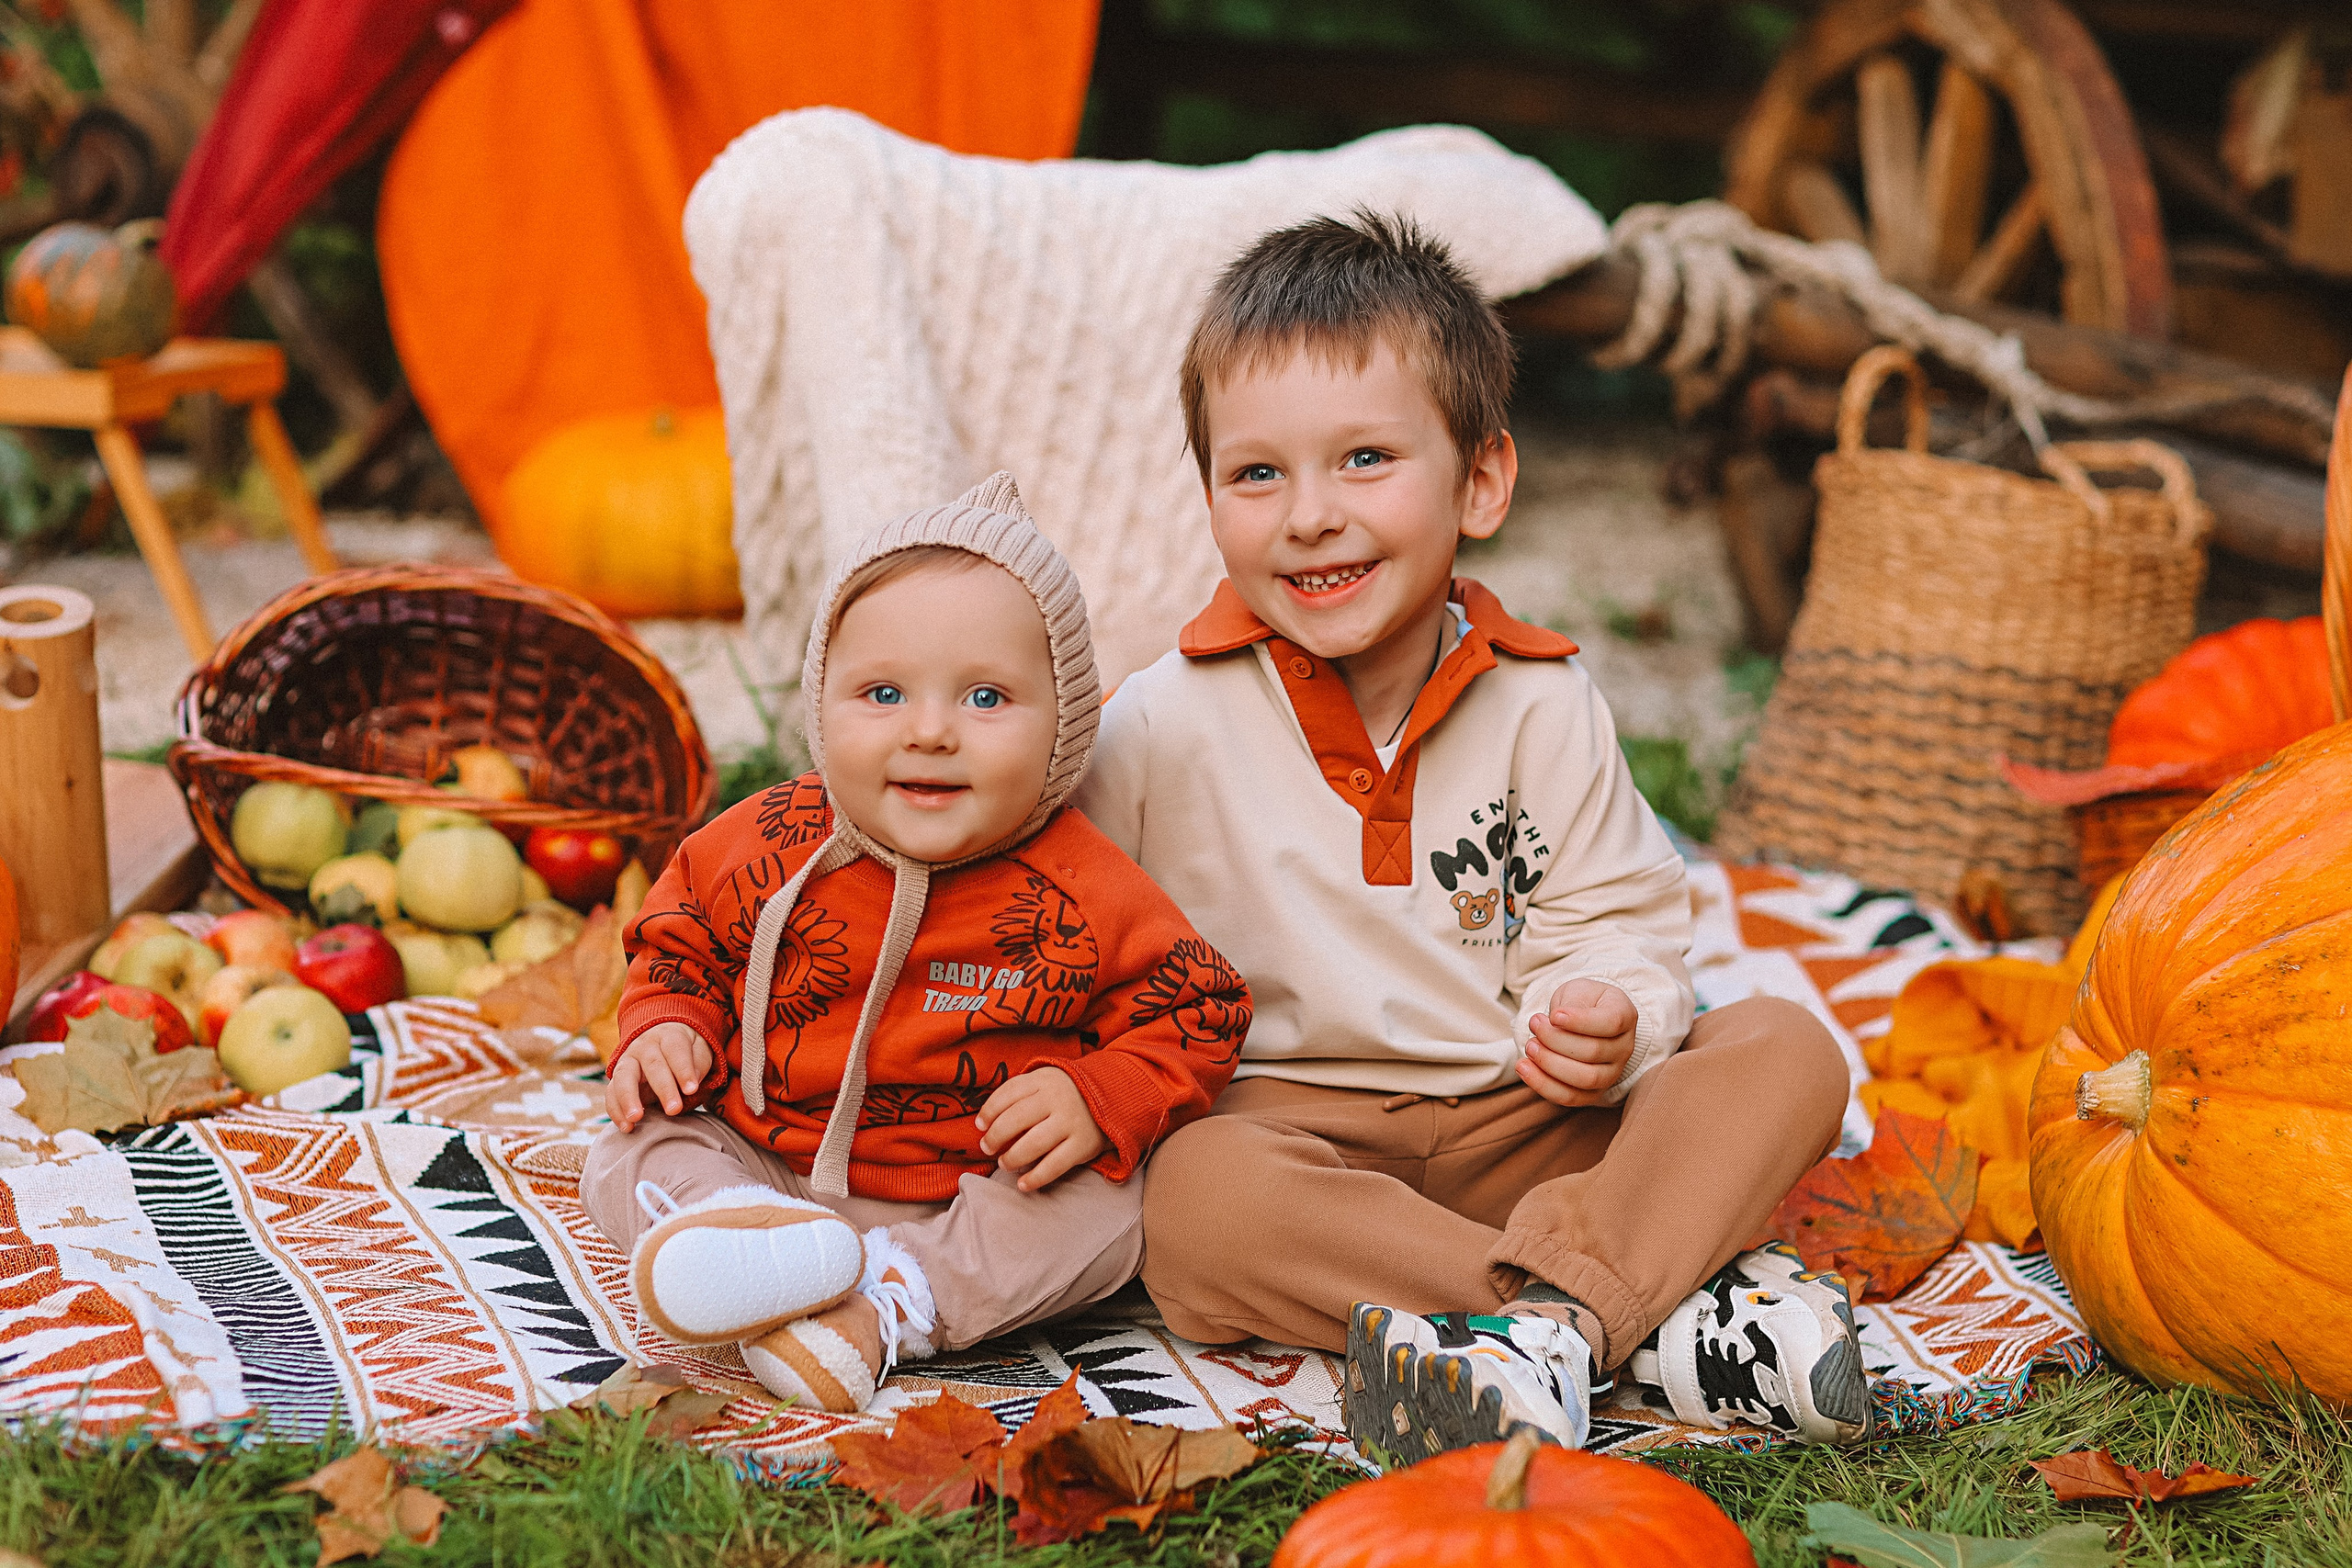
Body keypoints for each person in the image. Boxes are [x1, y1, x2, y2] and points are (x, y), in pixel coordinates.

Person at [1071, 211, 1865, 1462]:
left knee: (1784, 1045)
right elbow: (1076, 940)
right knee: (1191, 1202)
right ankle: (1637, 1321)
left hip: (1522, 1116)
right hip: (1295, 1132)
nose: (1310, 515)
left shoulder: (1540, 698)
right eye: (1257, 473)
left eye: (1367, 458)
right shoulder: (1158, 721)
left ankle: (1532, 1326)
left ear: (1480, 482)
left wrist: (1604, 1006)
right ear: (1210, 493)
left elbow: (1623, 924)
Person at [581, 474, 1250, 1414]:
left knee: (1121, 1206)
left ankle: (888, 1306)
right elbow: (677, 934)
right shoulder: (767, 840)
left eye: (985, 698)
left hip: (968, 1188)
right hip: (767, 1153)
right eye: (882, 693)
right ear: (822, 699)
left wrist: (1096, 1095)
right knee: (626, 1139)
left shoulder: (1083, 887)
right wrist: (667, 1021)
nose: (929, 733)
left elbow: (1200, 1008)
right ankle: (723, 1233)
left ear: (1065, 719)